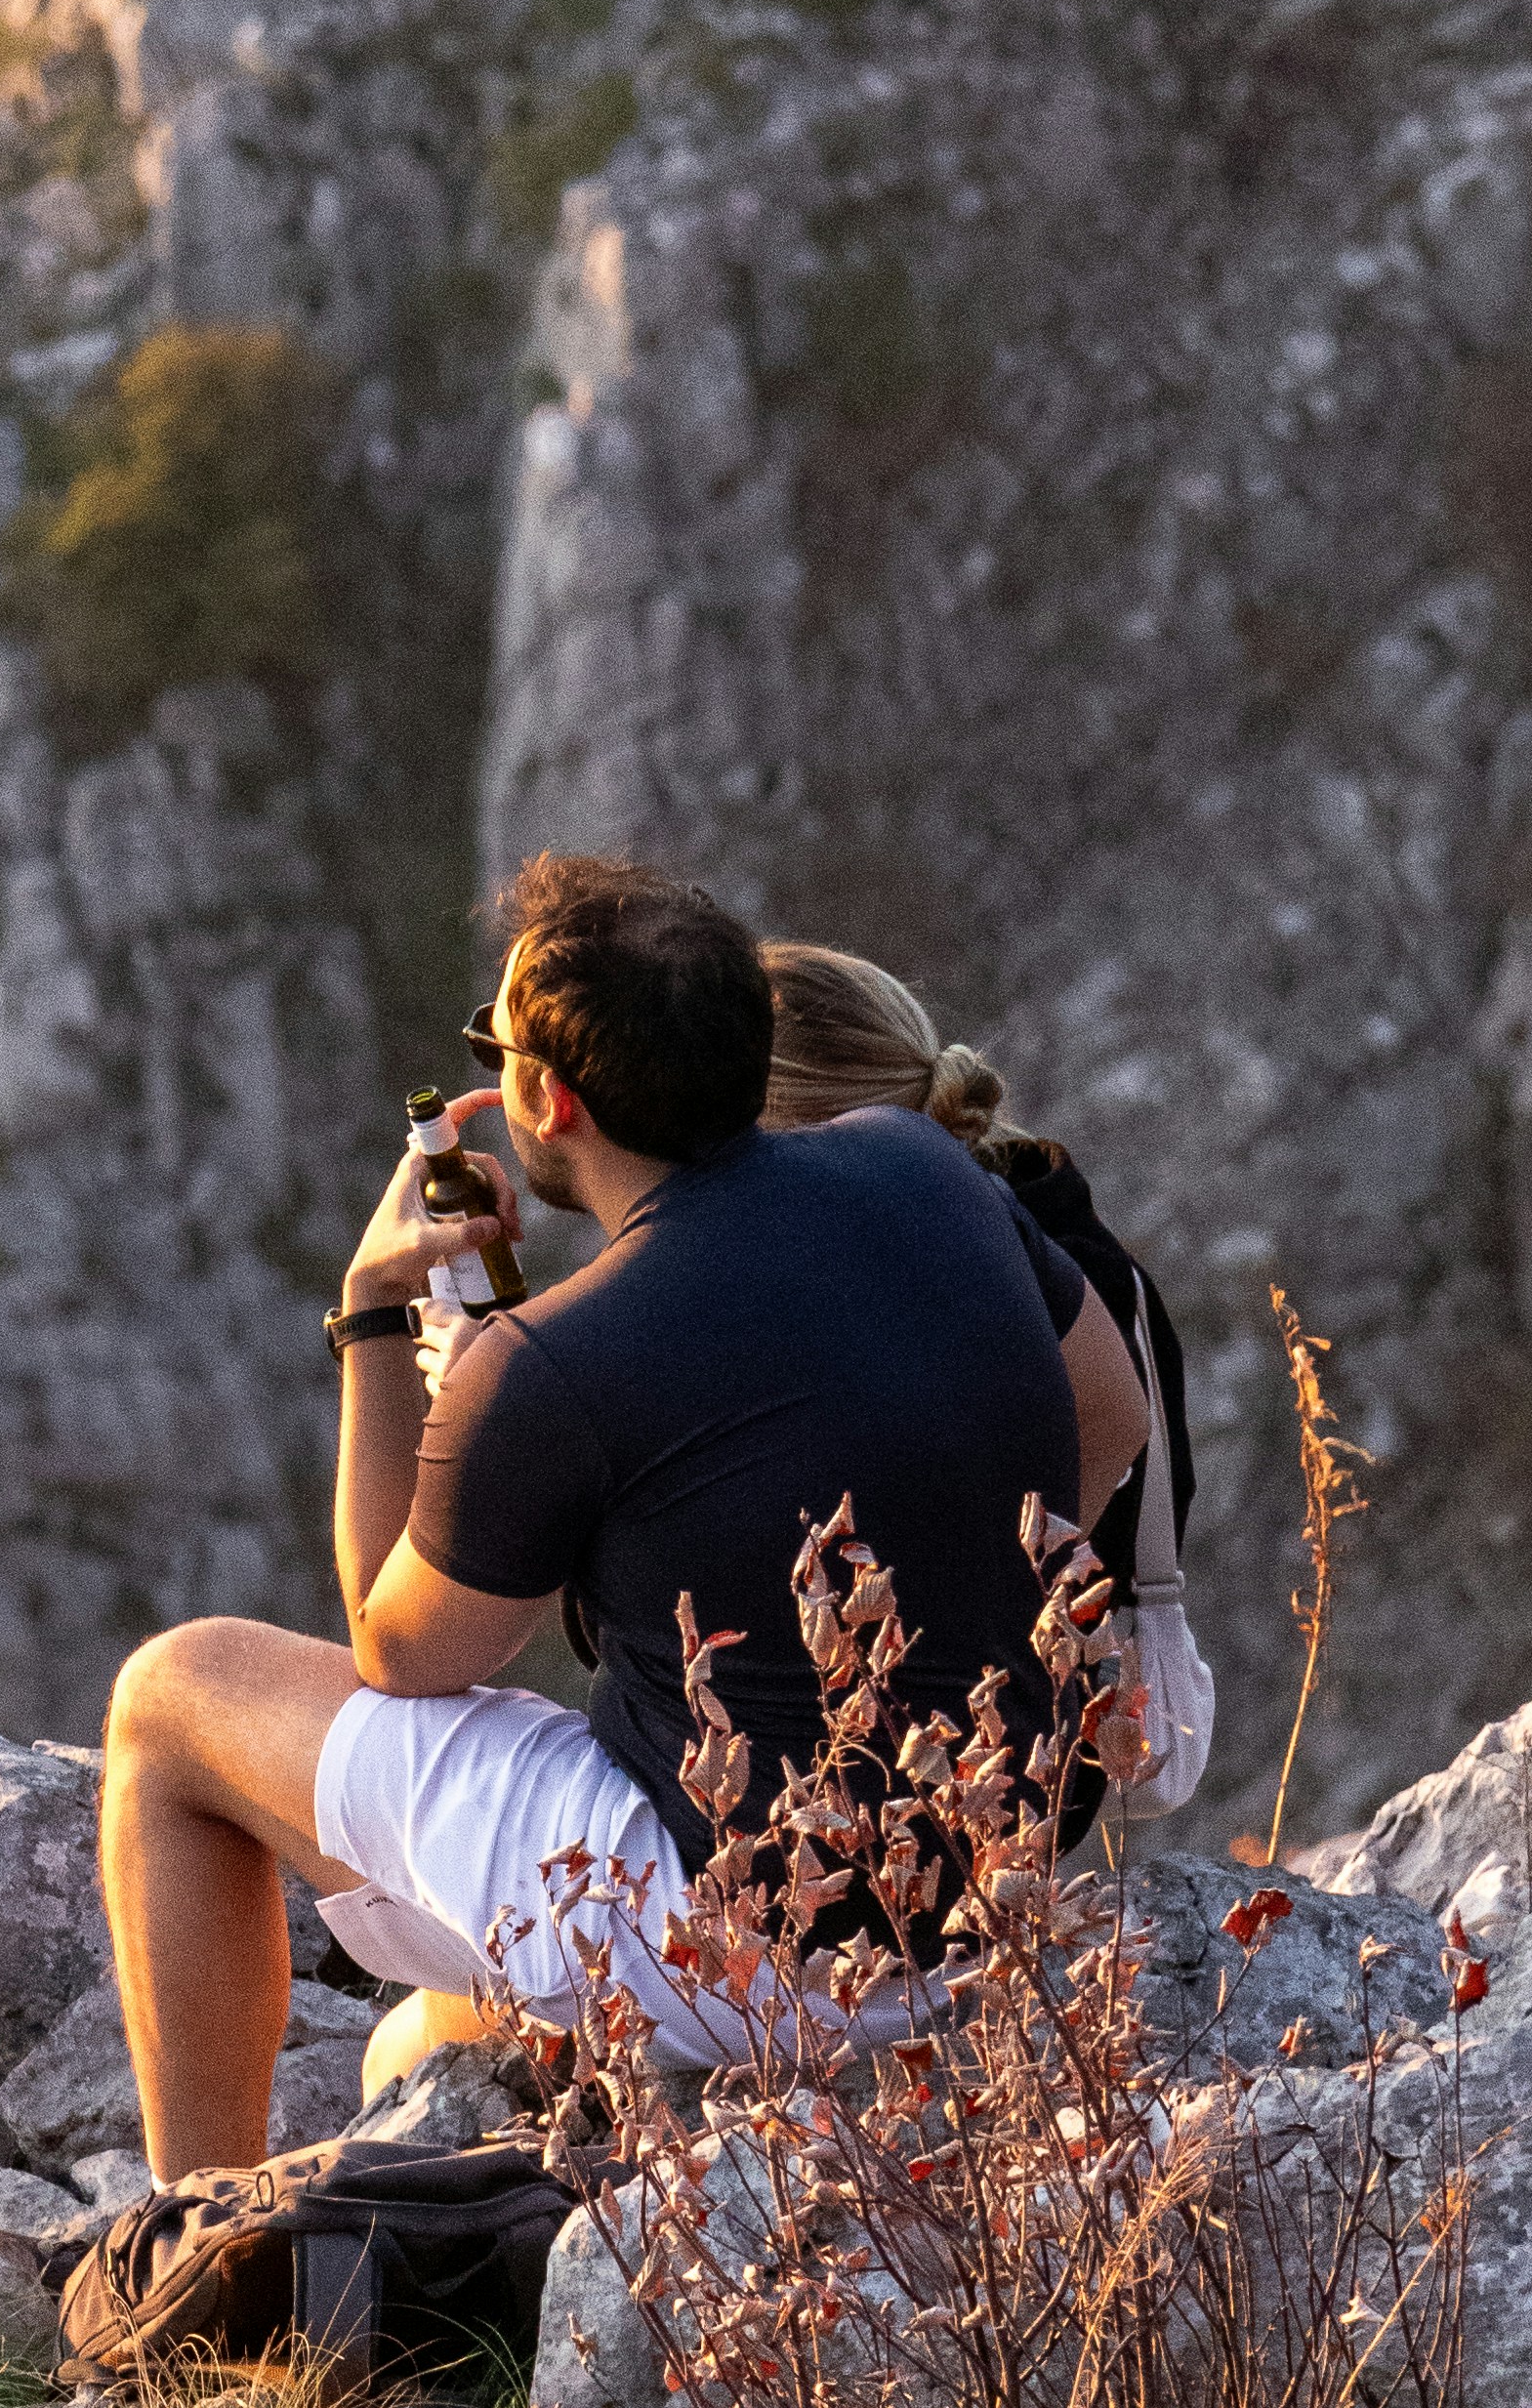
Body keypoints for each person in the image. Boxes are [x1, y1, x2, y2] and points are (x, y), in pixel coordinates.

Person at [96, 850, 1148, 2180]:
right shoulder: (920, 1168)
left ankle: (196, 2229)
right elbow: (1106, 1420)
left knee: (173, 1698)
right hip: (1000, 1885)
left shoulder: (548, 1364)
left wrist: (374, 1316)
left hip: (765, 1939)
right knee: (412, 2047)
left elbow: (400, 1654)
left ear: (544, 1096)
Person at [757, 938, 1195, 1688]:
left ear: (796, 1124)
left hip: (984, 1751)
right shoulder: (1055, 1237)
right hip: (1022, 1737)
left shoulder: (958, 1286)